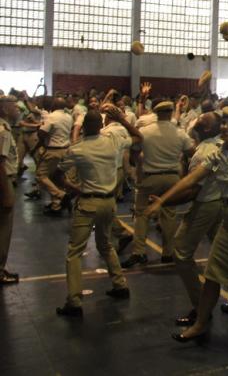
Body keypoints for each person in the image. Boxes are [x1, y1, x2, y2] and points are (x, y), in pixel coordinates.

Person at [151, 106, 228, 357]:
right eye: (224, 122)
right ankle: (200, 324)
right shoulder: (218, 154)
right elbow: (190, 180)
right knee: (212, 277)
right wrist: (162, 200)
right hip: (227, 221)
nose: (226, 127)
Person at [55, 106, 142, 317]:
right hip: (109, 202)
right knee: (106, 245)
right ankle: (120, 284)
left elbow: (56, 174)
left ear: (84, 127)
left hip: (88, 203)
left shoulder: (77, 149)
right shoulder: (113, 142)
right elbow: (138, 137)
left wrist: (73, 188)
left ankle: (74, 301)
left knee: (75, 251)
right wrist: (122, 119)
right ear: (102, 125)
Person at [145, 112, 225, 326]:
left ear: (207, 129)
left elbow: (191, 189)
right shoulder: (222, 145)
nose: (197, 119)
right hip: (220, 203)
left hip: (206, 204)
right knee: (223, 254)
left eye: (202, 120)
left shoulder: (203, 153)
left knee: (181, 253)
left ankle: (201, 307)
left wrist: (163, 202)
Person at [122, 100, 194, 267]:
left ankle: (139, 251)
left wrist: (139, 166)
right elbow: (192, 153)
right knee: (169, 216)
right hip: (172, 178)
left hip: (150, 177)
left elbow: (134, 153)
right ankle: (168, 253)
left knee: (142, 214)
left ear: (156, 113)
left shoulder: (145, 132)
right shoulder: (180, 133)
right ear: (170, 113)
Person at [38, 96, 74, 215]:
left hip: (53, 150)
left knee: (41, 176)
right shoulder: (69, 117)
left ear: (55, 105)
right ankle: (56, 206)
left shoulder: (51, 117)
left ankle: (62, 196)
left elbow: (42, 133)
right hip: (66, 149)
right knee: (57, 177)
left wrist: (43, 145)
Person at [0, 95, 20, 284]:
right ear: (5, 109)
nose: (18, 109)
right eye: (14, 107)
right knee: (3, 229)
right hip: (4, 182)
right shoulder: (3, 131)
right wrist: (6, 193)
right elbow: (0, 163)